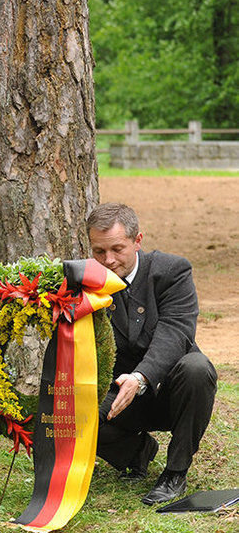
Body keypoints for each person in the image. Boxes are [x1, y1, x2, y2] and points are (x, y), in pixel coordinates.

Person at [87, 202, 218, 506]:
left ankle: (175, 472)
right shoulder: (85, 280)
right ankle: (138, 452)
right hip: (120, 395)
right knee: (73, 415)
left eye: (118, 249)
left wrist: (140, 377)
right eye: (99, 251)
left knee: (197, 367)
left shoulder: (172, 270)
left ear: (138, 240)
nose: (108, 260)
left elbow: (176, 332)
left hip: (173, 390)